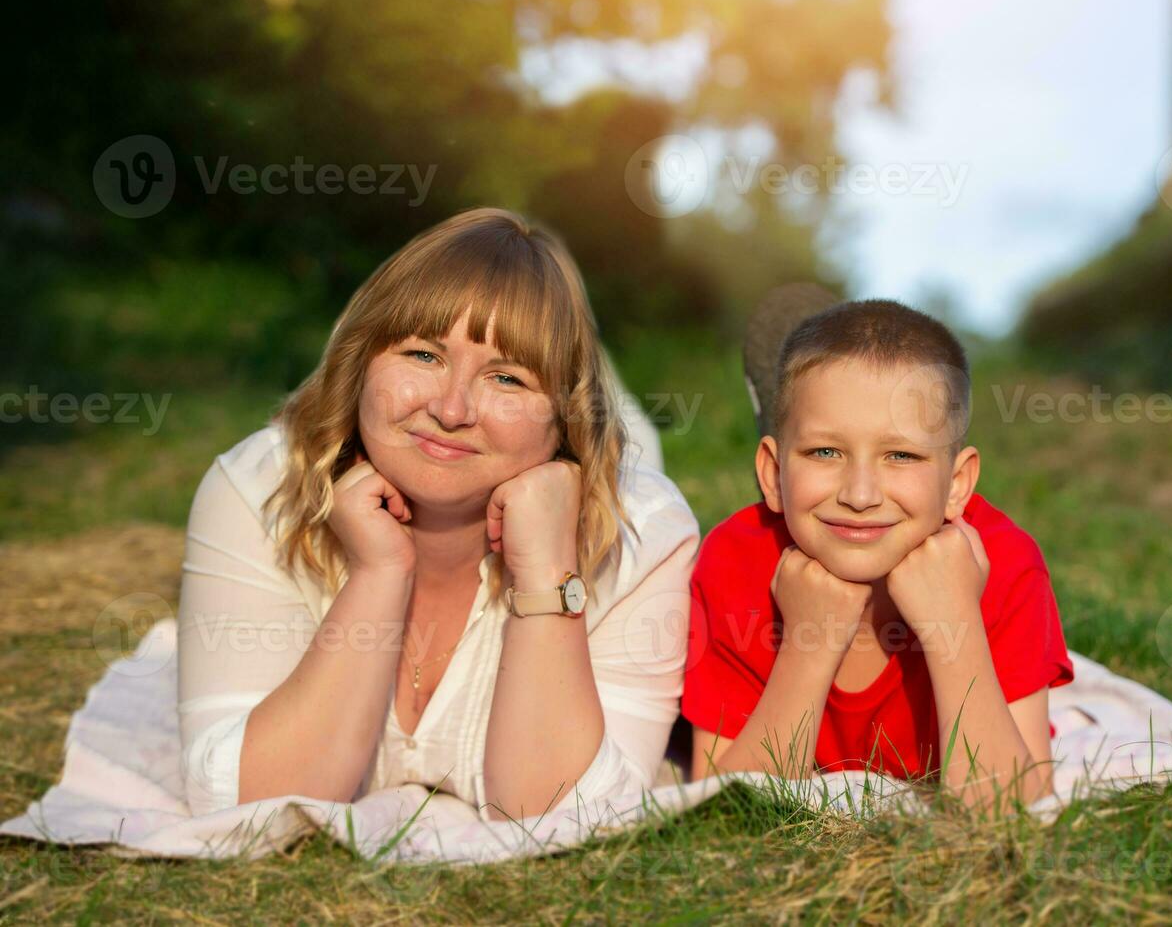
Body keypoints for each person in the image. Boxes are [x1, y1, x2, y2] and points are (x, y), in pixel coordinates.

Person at [176, 208, 699, 822]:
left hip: (603, 477)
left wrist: (546, 574)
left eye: (507, 377)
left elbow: (561, 816)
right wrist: (378, 574)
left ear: (562, 419)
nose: (452, 410)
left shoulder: (646, 529)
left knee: (636, 447)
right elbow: (247, 804)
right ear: (359, 363)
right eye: (423, 355)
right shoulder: (258, 487)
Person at [682, 298, 1073, 807]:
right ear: (771, 474)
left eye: (901, 455)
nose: (860, 495)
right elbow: (722, 810)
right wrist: (809, 644)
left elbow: (1008, 809)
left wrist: (953, 622)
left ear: (957, 485)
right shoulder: (735, 561)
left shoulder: (1005, 562)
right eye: (826, 452)